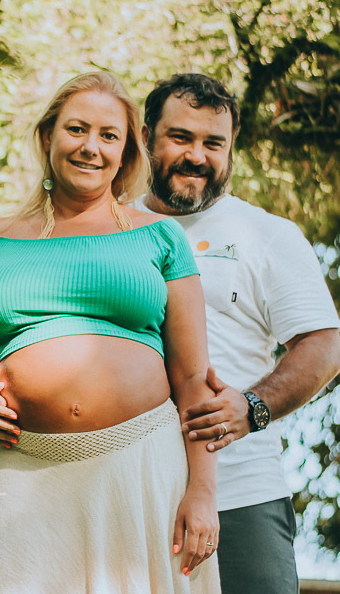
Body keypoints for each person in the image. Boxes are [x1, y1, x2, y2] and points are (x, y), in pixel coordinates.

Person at [0, 71, 221, 593]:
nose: (91, 147)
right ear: (48, 137)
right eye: (76, 129)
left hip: (140, 470)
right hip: (26, 478)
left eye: (108, 135)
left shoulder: (160, 236)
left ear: (124, 154)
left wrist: (202, 493)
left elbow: (192, 380)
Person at [137, 74, 340, 593]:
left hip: (241, 493)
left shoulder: (266, 233)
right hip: (124, 490)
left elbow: (324, 345)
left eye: (214, 143)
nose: (197, 156)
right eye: (180, 138)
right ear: (145, 138)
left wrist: (252, 406)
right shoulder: (110, 228)